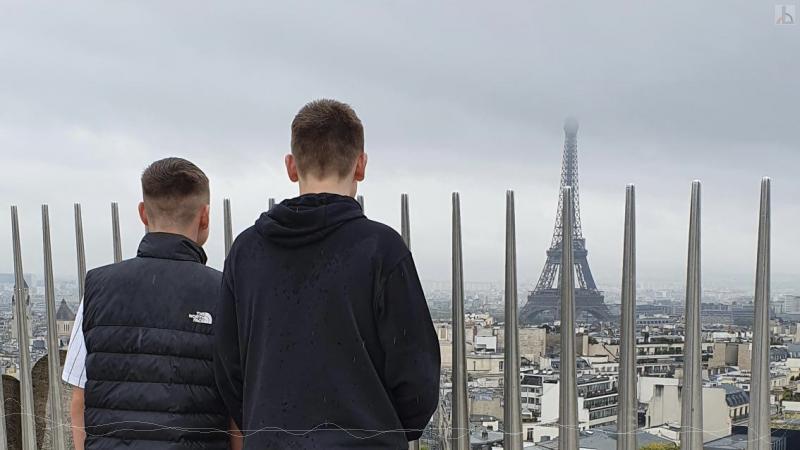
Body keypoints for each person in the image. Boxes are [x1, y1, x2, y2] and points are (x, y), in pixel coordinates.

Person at [214, 99, 441, 449]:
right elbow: (418, 376)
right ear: (361, 164)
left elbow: (230, 371)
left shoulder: (246, 251)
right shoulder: (381, 248)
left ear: (291, 166)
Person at [62, 157, 241, 450]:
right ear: (205, 216)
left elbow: (79, 398)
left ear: (143, 213)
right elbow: (236, 411)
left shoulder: (97, 287)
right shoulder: (225, 291)